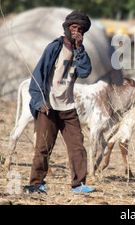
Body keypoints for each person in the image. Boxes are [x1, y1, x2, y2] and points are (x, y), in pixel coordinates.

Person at [23, 10, 94, 194]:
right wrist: (40, 101)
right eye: (73, 27)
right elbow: (37, 76)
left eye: (80, 29)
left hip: (68, 106)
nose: (76, 31)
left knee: (77, 146)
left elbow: (85, 71)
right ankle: (35, 184)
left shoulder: (80, 52)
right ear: (67, 28)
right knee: (43, 147)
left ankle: (78, 185)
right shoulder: (54, 47)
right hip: (49, 106)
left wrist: (79, 49)